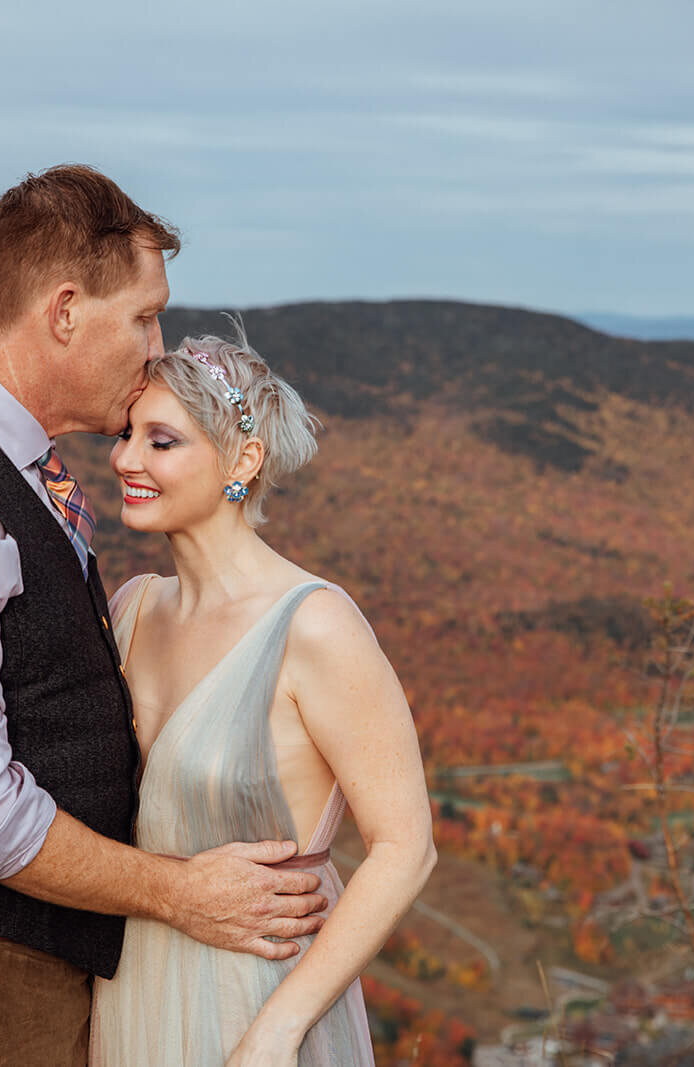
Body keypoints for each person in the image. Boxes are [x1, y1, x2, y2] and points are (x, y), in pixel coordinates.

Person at [0, 166, 330, 1065]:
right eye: (144, 316)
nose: (156, 348)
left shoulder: (14, 469)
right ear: (65, 311)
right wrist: (179, 893)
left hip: (9, 969)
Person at [94, 329, 437, 1066]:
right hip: (130, 990)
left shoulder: (315, 625)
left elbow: (406, 846)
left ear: (242, 461)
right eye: (127, 435)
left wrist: (280, 1029)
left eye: (162, 441)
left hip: (255, 999)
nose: (125, 458)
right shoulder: (131, 610)